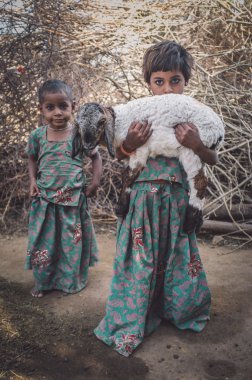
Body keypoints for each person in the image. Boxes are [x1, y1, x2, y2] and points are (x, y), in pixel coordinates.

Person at [94, 41, 218, 357]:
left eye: (174, 80)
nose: (166, 89)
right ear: (148, 83)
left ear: (186, 81)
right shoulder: (139, 118)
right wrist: (129, 144)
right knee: (139, 261)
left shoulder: (193, 117)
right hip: (141, 207)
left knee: (177, 258)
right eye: (158, 81)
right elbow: (122, 160)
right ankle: (132, 318)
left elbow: (211, 159)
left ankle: (178, 311)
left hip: (177, 205)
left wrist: (197, 144)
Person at [25, 79, 102, 298]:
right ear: (41, 109)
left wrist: (95, 181)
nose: (57, 113)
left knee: (71, 243)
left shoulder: (79, 134)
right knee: (44, 243)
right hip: (45, 200)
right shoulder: (37, 136)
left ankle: (71, 282)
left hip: (72, 202)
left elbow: (96, 157)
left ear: (73, 106)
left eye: (63, 106)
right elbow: (32, 158)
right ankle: (44, 281)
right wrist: (32, 180)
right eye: (50, 108)